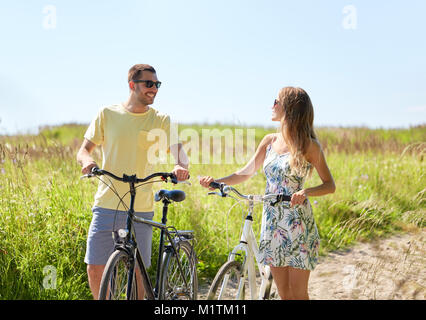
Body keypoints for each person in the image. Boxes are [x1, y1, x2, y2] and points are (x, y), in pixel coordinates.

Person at [199, 86, 335, 300]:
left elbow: (329, 185)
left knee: (298, 294)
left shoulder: (309, 146)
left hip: (297, 224)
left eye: (276, 101)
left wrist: (306, 191)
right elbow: (246, 173)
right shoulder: (269, 141)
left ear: (289, 109)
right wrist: (216, 182)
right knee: (284, 293)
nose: (272, 105)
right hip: (271, 224)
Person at [77, 64, 189, 300]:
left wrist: (180, 166)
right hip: (107, 201)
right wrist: (87, 161)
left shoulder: (162, 120)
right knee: (95, 266)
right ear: (132, 85)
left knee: (137, 272)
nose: (154, 89)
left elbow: (180, 154)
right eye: (149, 84)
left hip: (141, 206)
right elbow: (83, 151)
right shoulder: (107, 114)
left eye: (157, 85)